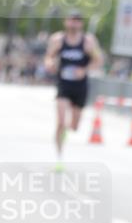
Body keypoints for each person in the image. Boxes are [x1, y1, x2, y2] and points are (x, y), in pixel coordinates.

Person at [43, 11, 103, 167]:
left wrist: (84, 69)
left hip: (80, 86)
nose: (74, 24)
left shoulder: (88, 41)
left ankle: (65, 133)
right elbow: (49, 56)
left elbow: (98, 60)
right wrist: (49, 63)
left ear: (81, 24)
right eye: (71, 20)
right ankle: (58, 156)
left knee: (74, 126)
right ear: (65, 22)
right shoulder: (58, 39)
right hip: (63, 84)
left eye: (77, 21)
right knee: (61, 121)